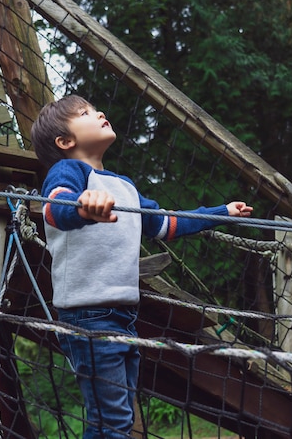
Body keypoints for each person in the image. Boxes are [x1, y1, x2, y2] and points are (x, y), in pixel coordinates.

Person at [31, 95, 253, 438]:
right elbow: (54, 206)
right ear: (65, 141)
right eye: (86, 113)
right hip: (88, 315)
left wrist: (221, 213)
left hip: (124, 314)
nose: (99, 112)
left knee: (116, 416)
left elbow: (167, 224)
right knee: (113, 421)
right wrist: (82, 207)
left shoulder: (124, 187)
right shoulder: (69, 172)